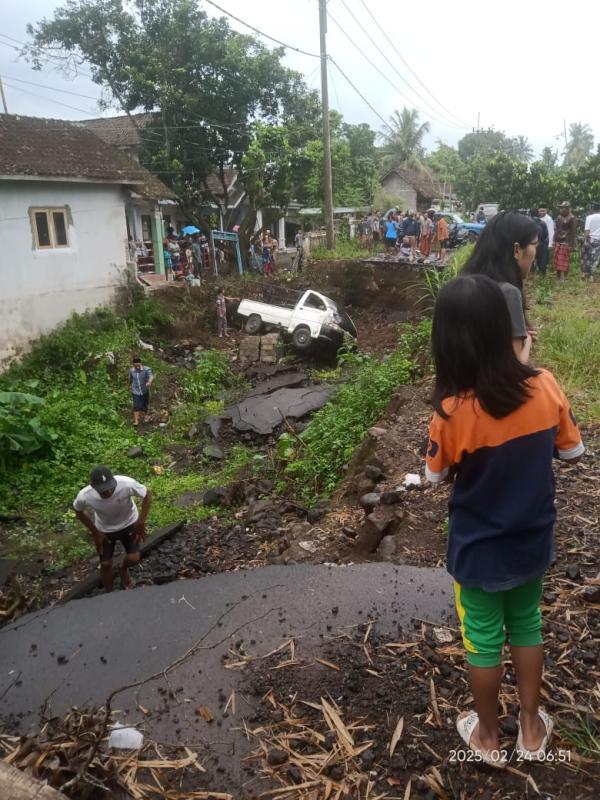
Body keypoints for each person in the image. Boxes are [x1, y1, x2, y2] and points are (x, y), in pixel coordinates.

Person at [426, 273, 584, 766]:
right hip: (532, 541)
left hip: (478, 550)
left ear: (448, 342)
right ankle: (532, 730)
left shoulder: (451, 412)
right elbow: (574, 451)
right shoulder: (545, 386)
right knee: (527, 624)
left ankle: (489, 737)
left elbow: (435, 476)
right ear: (505, 329)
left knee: (484, 637)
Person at [462, 212, 539, 364]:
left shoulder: (458, 287)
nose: (535, 253)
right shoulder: (508, 293)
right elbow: (516, 365)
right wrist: (528, 340)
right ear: (517, 250)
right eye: (535, 244)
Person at [73, 466, 152, 592]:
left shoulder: (126, 484)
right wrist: (95, 532)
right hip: (104, 529)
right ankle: (109, 593)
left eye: (110, 487)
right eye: (103, 490)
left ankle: (123, 568)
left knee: (134, 558)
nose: (108, 492)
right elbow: (78, 511)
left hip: (129, 522)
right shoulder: (85, 496)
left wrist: (141, 521)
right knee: (105, 564)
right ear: (92, 486)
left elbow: (147, 494)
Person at [553, 201, 577, 280]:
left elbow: (573, 232)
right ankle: (558, 276)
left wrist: (572, 245)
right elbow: (556, 229)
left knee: (565, 260)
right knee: (557, 259)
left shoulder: (572, 218)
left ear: (567, 209)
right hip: (558, 241)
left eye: (562, 208)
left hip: (566, 241)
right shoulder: (559, 217)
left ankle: (565, 277)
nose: (561, 209)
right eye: (560, 208)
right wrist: (554, 240)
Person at [129, 356, 153, 427]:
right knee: (136, 405)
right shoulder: (131, 370)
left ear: (141, 364)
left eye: (138, 366)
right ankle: (136, 421)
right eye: (135, 366)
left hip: (144, 390)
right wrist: (129, 385)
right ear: (133, 365)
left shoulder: (147, 369)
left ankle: (146, 416)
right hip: (135, 390)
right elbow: (131, 379)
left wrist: (149, 382)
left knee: (145, 405)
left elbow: (151, 376)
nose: (137, 367)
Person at [580, 201, 600, 281]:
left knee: (585, 256)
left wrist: (585, 241)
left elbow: (587, 230)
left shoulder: (589, 217)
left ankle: (584, 274)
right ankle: (591, 276)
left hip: (590, 239)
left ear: (592, 208)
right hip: (598, 240)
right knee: (595, 258)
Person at [529, 209, 549, 276]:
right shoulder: (542, 223)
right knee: (542, 261)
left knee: (530, 261)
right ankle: (543, 277)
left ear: (530, 214)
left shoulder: (527, 222)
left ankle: (531, 276)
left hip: (531, 245)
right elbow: (546, 235)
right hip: (541, 244)